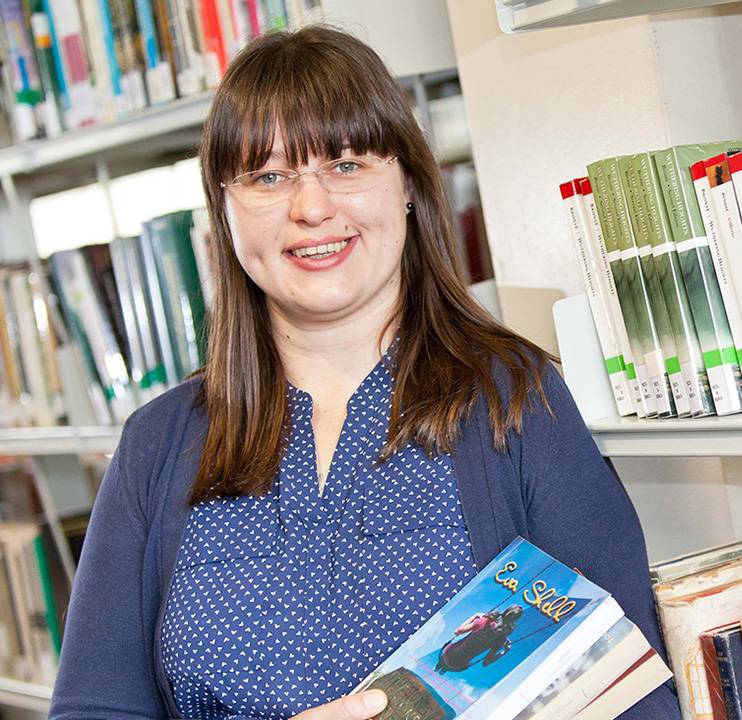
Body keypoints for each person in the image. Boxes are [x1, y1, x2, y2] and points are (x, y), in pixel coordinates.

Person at [48, 25, 680, 720]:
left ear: (407, 183)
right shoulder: (157, 446)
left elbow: (634, 699)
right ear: (224, 213)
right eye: (267, 176)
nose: (311, 207)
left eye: (347, 165)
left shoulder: (513, 401)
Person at [435, 606, 523, 673]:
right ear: (514, 621)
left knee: (455, 644)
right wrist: (505, 651)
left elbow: (457, 631)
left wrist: (474, 616)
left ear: (506, 611)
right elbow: (486, 663)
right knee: (458, 663)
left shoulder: (485, 621)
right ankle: (443, 669)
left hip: (445, 654)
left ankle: (438, 666)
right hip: (455, 667)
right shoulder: (501, 639)